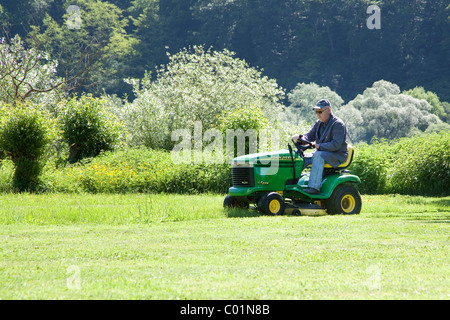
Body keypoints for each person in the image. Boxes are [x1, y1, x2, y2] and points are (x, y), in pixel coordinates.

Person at [292, 99, 348, 194]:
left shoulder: (338, 124)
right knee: (300, 157)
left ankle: (314, 188)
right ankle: (291, 184)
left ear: (329, 110)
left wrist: (318, 146)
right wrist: (300, 138)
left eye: (320, 112)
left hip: (337, 155)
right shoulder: (318, 123)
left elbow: (336, 145)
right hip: (323, 153)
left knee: (318, 155)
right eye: (316, 112)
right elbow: (309, 136)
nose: (318, 114)